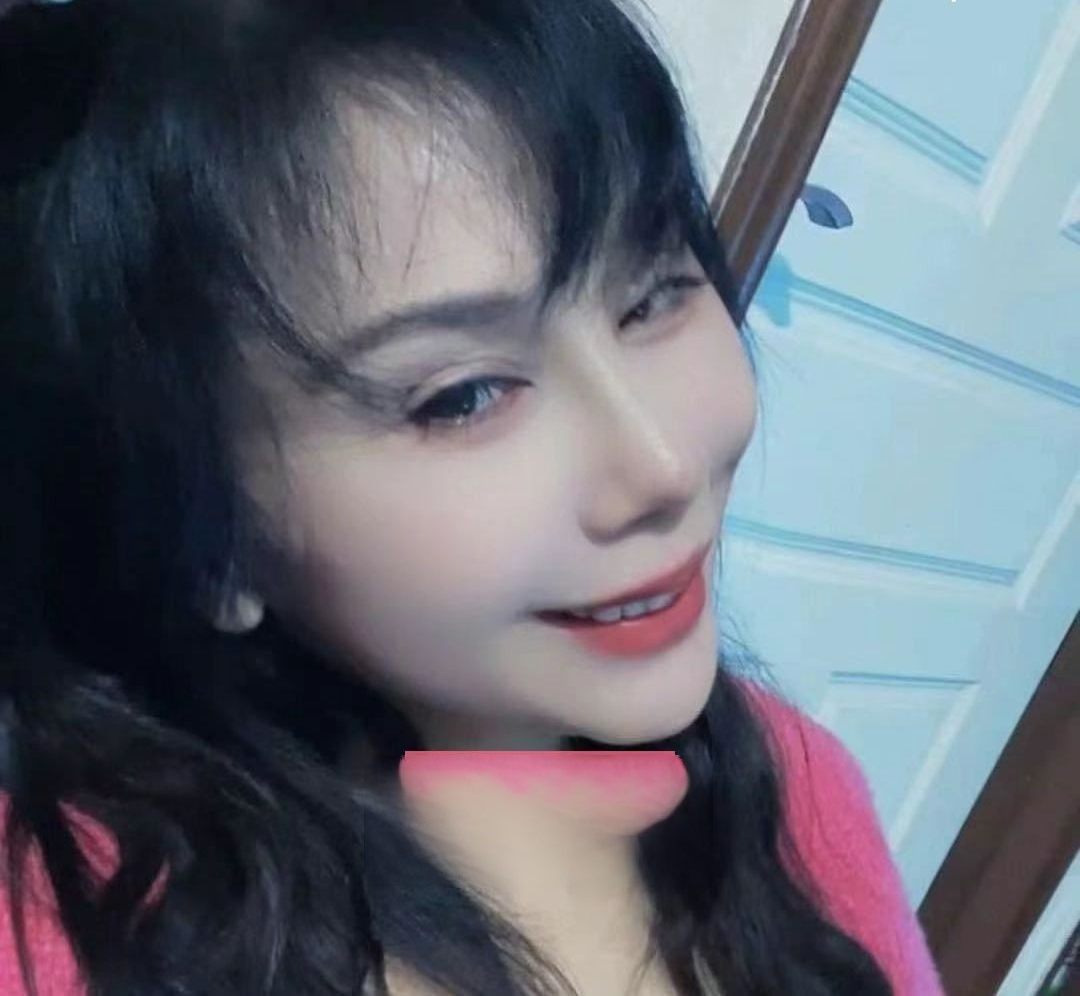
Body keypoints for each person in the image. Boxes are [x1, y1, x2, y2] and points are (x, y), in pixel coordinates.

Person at [0, 0, 946, 993]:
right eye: (463, 397)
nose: (663, 464)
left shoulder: (797, 784)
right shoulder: (59, 929)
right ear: (210, 543)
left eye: (654, 294)